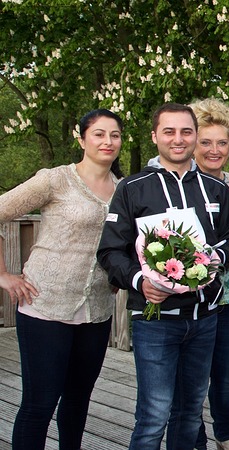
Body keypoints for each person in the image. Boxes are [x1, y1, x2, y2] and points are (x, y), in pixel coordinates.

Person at [97, 103, 229, 450]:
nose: (178, 140)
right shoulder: (133, 188)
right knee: (154, 415)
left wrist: (213, 258)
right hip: (154, 319)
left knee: (190, 413)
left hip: (205, 318)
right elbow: (110, 252)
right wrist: (141, 281)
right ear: (154, 136)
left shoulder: (216, 189)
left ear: (195, 135)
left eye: (186, 132)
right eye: (169, 131)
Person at [0, 109, 123, 450]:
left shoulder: (125, 190)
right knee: (39, 404)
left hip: (96, 310)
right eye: (98, 134)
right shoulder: (55, 179)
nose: (107, 141)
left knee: (77, 402)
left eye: (114, 135)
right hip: (45, 305)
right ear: (80, 138)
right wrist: (3, 275)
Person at [177, 98, 229, 450]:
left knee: (227, 377)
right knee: (190, 378)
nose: (213, 150)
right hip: (191, 299)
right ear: (192, 143)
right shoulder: (177, 184)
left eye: (221, 142)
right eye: (205, 142)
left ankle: (226, 435)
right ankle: (194, 438)